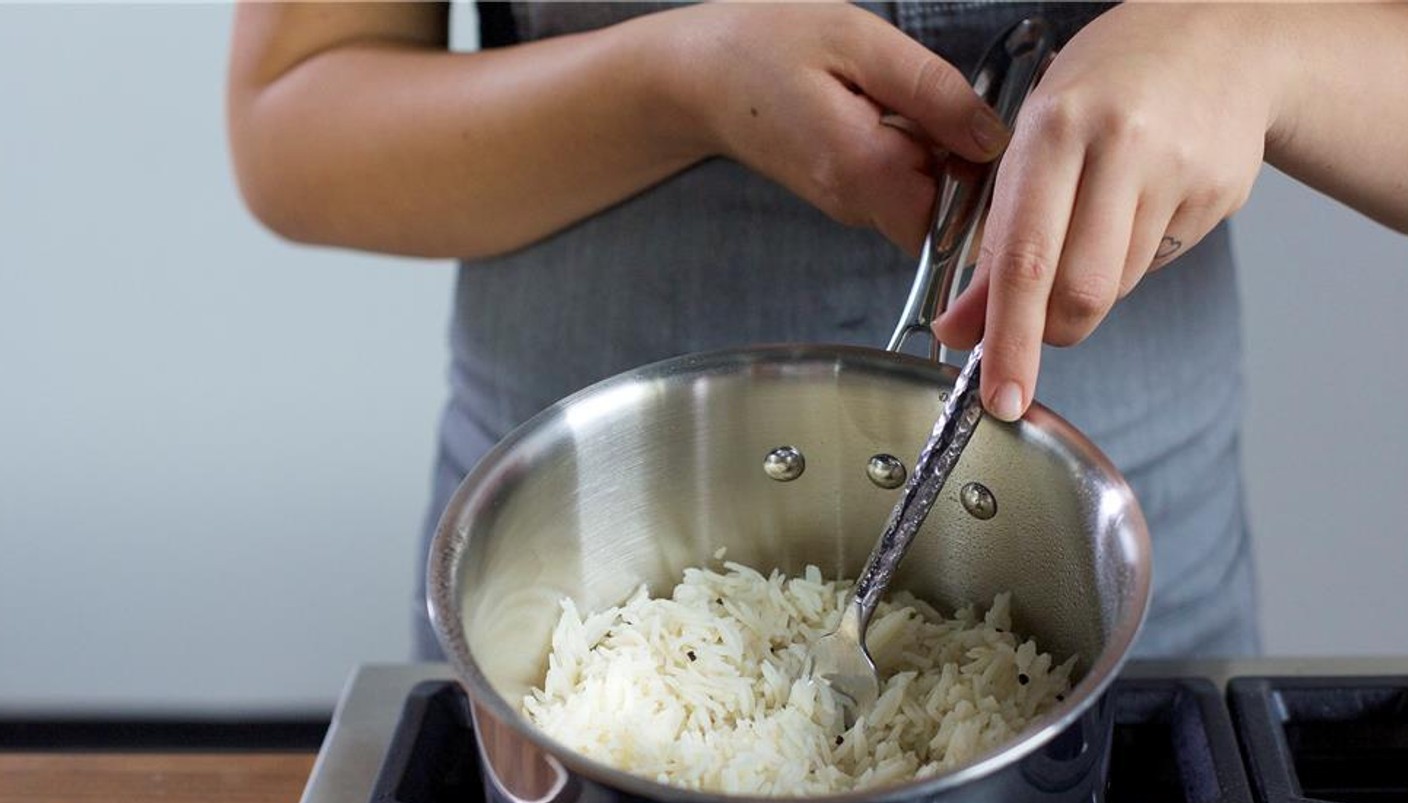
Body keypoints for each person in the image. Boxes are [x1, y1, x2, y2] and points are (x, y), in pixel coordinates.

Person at [226, 1, 1408, 660]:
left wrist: (1267, 47)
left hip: (1134, 644)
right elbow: (293, 122)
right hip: (562, 626)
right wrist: (673, 81)